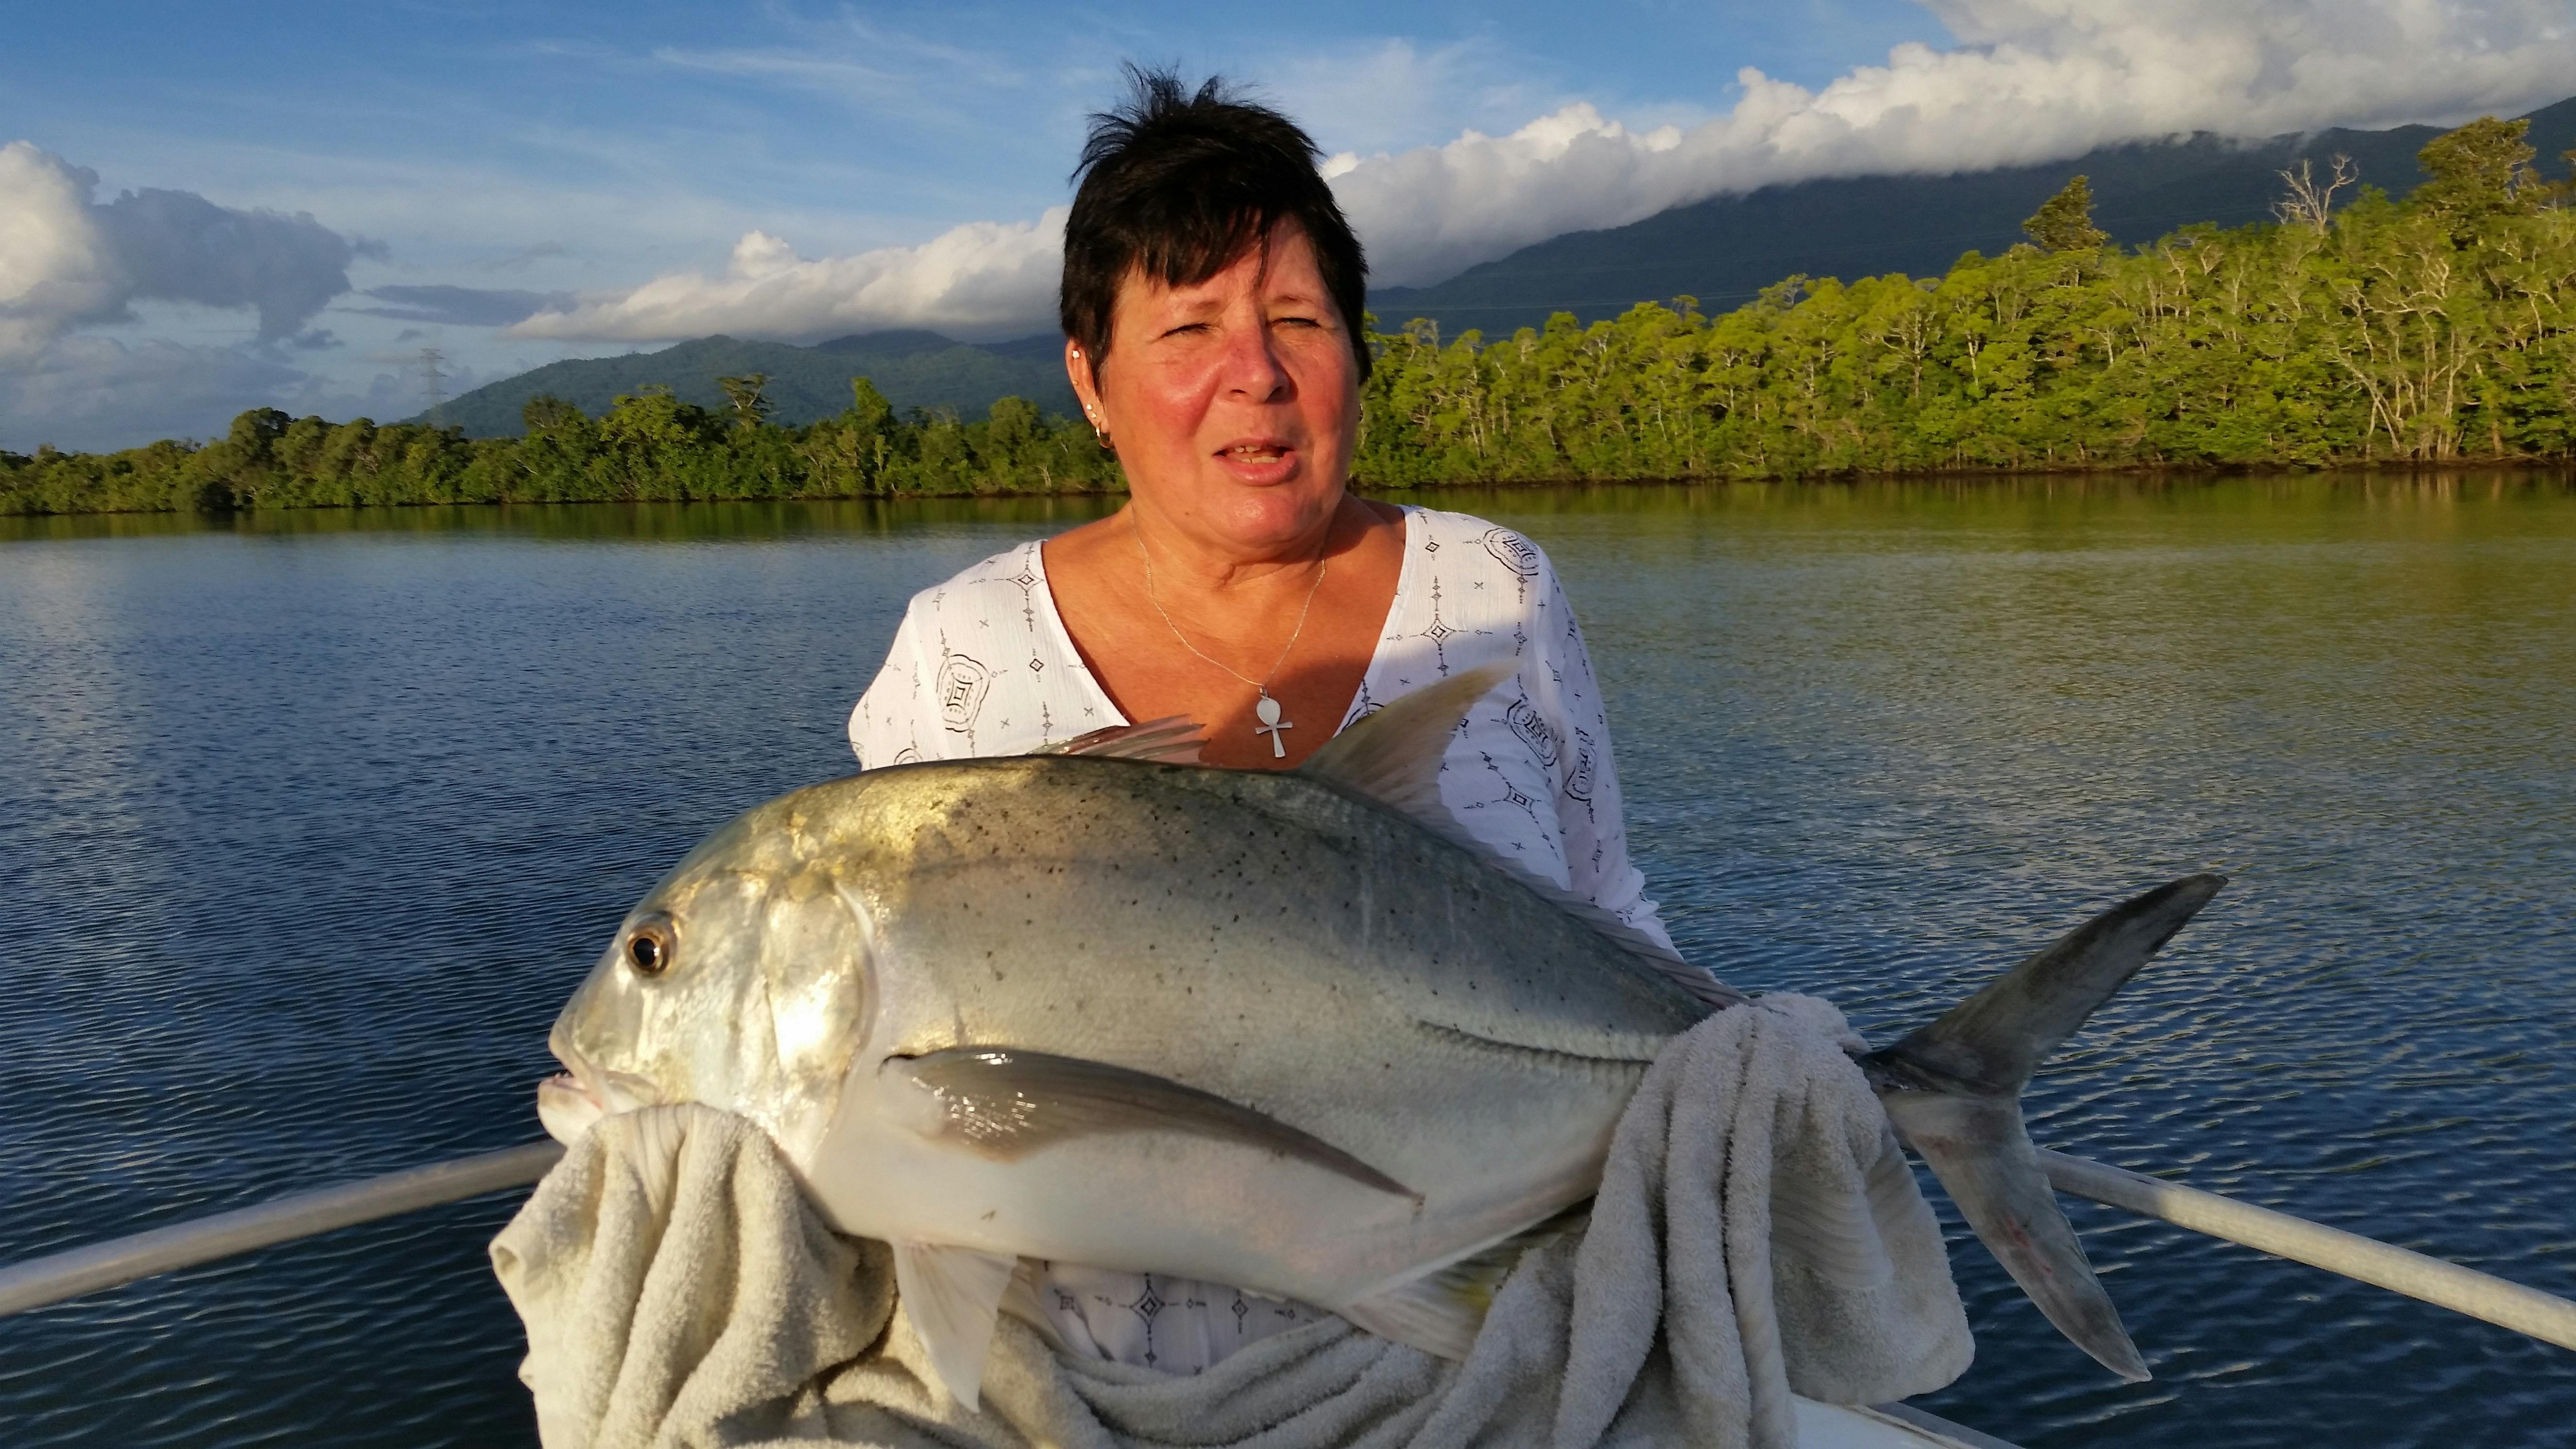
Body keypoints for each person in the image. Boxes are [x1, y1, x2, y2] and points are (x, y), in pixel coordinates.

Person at [847, 68, 1674, 1377]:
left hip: (1486, 1345)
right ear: (1090, 378)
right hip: (1079, 1383)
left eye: (1300, 317)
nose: (1257, 375)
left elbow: (1607, 906)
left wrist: (1739, 1063)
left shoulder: (1495, 592)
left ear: (1356, 351)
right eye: (1187, 331)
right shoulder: (960, 652)